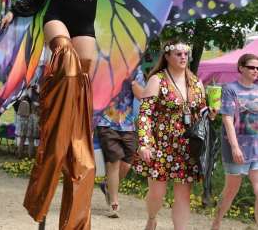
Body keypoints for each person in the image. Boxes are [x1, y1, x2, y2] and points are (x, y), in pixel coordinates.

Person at [0, 0, 197, 228]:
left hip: (85, 22)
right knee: (63, 55)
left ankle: (74, 124)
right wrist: (17, 10)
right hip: (59, 15)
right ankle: (44, 103)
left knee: (84, 69)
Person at [134, 40, 214, 230]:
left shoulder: (195, 82)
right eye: (178, 54)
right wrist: (145, 143)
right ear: (167, 56)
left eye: (186, 54)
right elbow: (145, 113)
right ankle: (152, 218)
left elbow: (200, 111)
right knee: (157, 193)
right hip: (160, 145)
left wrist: (209, 112)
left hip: (188, 146)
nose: (183, 57)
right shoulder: (157, 80)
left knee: (183, 195)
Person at [211, 53, 258, 229]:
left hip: (256, 148)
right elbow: (227, 120)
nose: (255, 71)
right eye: (252, 67)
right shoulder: (230, 89)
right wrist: (235, 147)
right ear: (241, 68)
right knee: (231, 191)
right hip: (236, 147)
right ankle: (216, 222)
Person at [97, 67, 145, 218]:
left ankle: (107, 186)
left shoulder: (137, 70)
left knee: (127, 164)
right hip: (106, 122)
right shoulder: (105, 65)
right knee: (114, 162)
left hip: (128, 125)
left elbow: (141, 96)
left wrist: (131, 80)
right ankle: (114, 204)